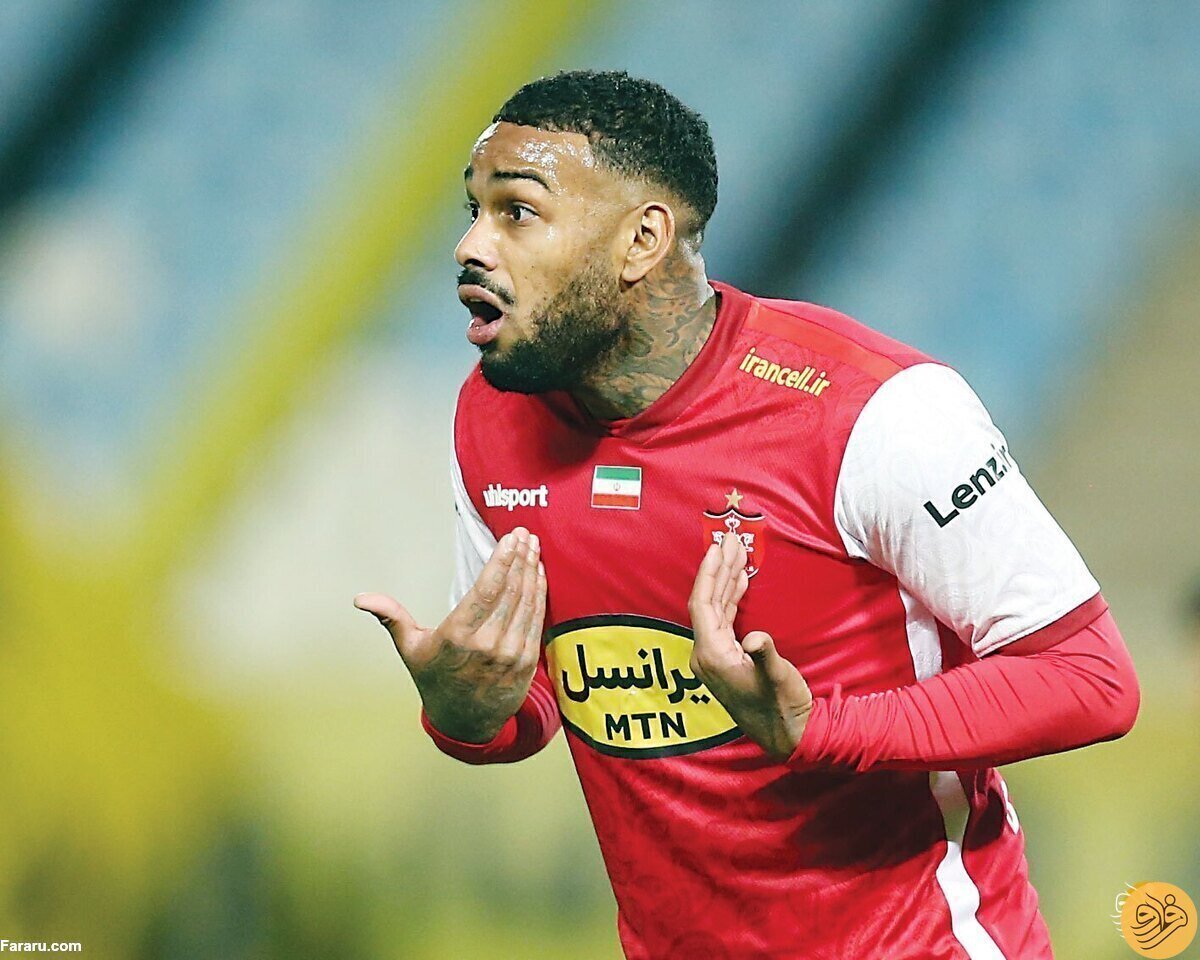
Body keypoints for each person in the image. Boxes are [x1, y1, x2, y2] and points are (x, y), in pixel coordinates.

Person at [354, 70, 1139, 959]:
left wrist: (821, 732)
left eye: (517, 212)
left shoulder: (878, 414)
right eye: (474, 209)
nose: (470, 246)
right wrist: (464, 710)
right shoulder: (492, 418)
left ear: (642, 239)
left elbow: (1089, 678)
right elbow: (530, 700)